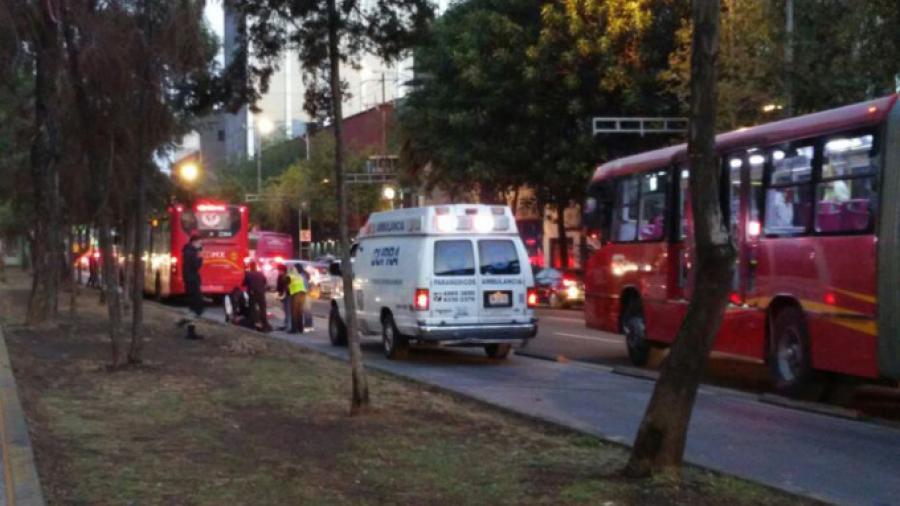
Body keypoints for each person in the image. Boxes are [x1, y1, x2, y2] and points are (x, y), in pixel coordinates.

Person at [179, 232, 204, 340]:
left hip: (190, 281)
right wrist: (200, 258)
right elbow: (195, 266)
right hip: (192, 281)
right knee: (198, 306)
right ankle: (185, 321)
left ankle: (190, 329)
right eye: (200, 243)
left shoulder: (187, 251)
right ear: (195, 242)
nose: (201, 245)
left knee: (193, 307)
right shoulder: (191, 252)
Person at [242, 261, 272, 332]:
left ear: (250, 267)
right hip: (261, 293)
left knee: (252, 308)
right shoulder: (260, 273)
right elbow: (265, 281)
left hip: (253, 293)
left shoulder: (248, 274)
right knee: (263, 308)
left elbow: (244, 283)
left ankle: (253, 323)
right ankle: (264, 323)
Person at [288, 264, 307, 333]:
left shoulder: (290, 276)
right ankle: (300, 328)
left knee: (294, 312)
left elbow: (286, 285)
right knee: (299, 311)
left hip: (296, 294)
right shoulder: (299, 276)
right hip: (303, 294)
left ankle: (294, 329)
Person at [275, 263, 292, 331]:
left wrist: (282, 295)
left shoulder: (286, 276)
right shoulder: (280, 276)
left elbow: (286, 288)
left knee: (288, 310)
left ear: (283, 270)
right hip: (285, 295)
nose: (278, 271)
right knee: (285, 310)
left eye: (279, 270)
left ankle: (288, 326)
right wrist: (279, 295)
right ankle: (286, 324)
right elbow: (279, 287)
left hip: (288, 295)